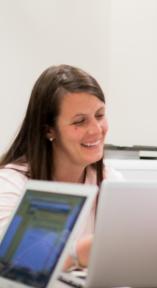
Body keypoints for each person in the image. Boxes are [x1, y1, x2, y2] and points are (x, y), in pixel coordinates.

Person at [0, 64, 122, 269]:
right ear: (49, 130)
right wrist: (76, 255)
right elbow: (7, 265)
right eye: (80, 121)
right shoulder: (10, 184)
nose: (96, 130)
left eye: (100, 115)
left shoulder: (110, 180)